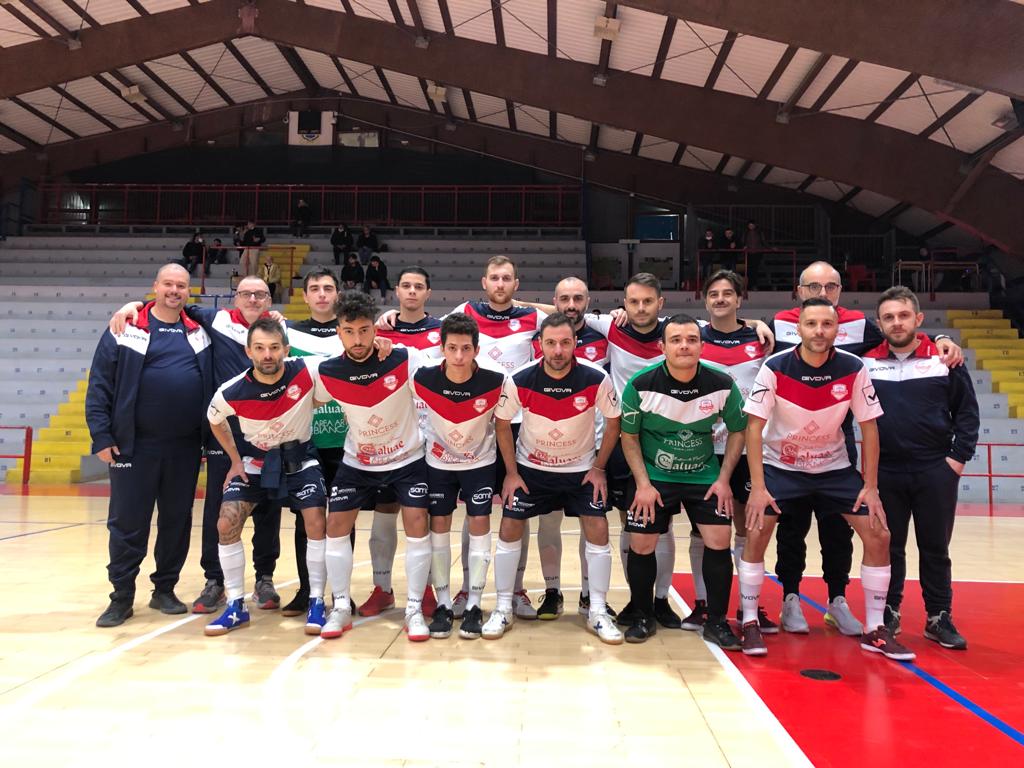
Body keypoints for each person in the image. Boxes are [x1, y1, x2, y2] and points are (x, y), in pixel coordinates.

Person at [768, 261, 962, 636]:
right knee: (791, 528)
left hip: (837, 446)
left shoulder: (858, 325)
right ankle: (790, 598)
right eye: (814, 287)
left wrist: (939, 339)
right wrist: (755, 325)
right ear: (799, 290)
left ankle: (837, 601)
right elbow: (750, 341)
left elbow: (899, 333)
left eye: (830, 286)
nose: (822, 294)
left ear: (840, 291)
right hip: (789, 448)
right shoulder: (778, 324)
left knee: (837, 529)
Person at [739, 298, 915, 661]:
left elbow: (869, 427)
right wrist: (758, 487)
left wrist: (870, 487)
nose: (819, 331)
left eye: (827, 324)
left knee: (879, 534)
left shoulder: (853, 367)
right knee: (756, 531)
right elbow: (753, 428)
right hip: (782, 467)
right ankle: (750, 620)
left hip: (834, 469)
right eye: (811, 324)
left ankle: (875, 628)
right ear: (799, 328)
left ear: (837, 329)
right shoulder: (775, 366)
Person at [378, 255, 548, 621]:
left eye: (507, 278)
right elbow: (430, 328)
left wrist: (529, 305)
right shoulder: (464, 314)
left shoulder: (533, 317)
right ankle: (464, 591)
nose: (500, 284)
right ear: (484, 282)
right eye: (494, 278)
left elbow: (569, 314)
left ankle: (515, 589)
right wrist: (389, 318)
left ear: (516, 284)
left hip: (510, 425)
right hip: (466, 426)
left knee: (514, 513)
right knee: (465, 516)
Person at [109, 278, 287, 614]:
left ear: (269, 299)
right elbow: (172, 303)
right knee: (217, 510)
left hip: (270, 436)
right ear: (236, 297)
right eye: (246, 293)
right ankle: (214, 580)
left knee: (268, 509)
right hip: (224, 437)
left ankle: (265, 577)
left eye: (260, 294)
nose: (253, 299)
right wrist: (134, 306)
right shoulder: (215, 319)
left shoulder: (281, 329)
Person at [484, 313, 623, 645]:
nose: (558, 350)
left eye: (564, 343)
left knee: (598, 526)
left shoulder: (596, 377)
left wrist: (599, 468)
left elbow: (614, 421)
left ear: (575, 343)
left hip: (581, 471)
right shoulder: (520, 378)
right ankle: (503, 607)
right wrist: (512, 473)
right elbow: (501, 423)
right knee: (509, 525)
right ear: (540, 345)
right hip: (532, 470)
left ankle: (597, 610)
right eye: (551, 343)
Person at [88, 264, 213, 627]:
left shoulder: (199, 332)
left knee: (176, 521)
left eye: (181, 286)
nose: (174, 291)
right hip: (133, 447)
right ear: (155, 286)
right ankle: (121, 596)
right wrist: (102, 435)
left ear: (189, 291)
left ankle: (165, 589)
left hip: (185, 448)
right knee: (128, 523)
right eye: (168, 284)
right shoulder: (126, 327)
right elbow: (100, 383)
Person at [286, 269, 409, 620]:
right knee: (306, 517)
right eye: (314, 288)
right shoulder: (288, 331)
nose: (321, 294)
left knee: (344, 518)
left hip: (348, 442)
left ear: (338, 294)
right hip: (308, 441)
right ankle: (308, 590)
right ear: (305, 296)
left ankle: (340, 593)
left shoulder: (367, 334)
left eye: (328, 288)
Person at [619, 314, 747, 646]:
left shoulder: (722, 383)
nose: (684, 346)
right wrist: (643, 485)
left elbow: (738, 430)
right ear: (662, 347)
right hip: (654, 476)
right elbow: (628, 436)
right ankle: (643, 615)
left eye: (691, 339)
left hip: (704, 475)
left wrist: (723, 479)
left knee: (719, 539)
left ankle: (716, 621)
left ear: (702, 346)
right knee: (641, 543)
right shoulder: (641, 384)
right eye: (676, 340)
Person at [864, 286, 979, 650]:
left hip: (935, 469)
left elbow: (967, 414)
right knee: (889, 546)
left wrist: (955, 462)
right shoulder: (865, 361)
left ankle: (938, 617)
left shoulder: (945, 360)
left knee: (935, 548)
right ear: (879, 324)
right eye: (888, 317)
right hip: (886, 470)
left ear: (918, 318)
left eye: (903, 316)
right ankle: (888, 612)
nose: (896, 323)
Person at [314, 291, 433, 641]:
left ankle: (414, 608)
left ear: (375, 329)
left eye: (365, 330)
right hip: (358, 461)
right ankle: (340, 606)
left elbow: (443, 374)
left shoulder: (403, 357)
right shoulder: (326, 371)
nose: (358, 339)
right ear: (338, 332)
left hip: (407, 458)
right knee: (335, 524)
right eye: (349, 331)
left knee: (416, 522)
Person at [203, 319, 329, 636]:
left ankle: (316, 601)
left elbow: (345, 365)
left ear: (286, 349)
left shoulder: (308, 370)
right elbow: (214, 420)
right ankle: (235, 605)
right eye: (259, 348)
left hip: (300, 458)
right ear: (249, 352)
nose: (267, 355)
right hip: (256, 462)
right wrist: (235, 460)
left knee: (316, 520)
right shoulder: (231, 390)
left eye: (274, 348)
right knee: (226, 522)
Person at [681, 270, 777, 635]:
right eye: (713, 294)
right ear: (705, 300)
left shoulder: (760, 338)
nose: (720, 299)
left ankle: (748, 606)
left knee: (748, 527)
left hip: (749, 448)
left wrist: (757, 324)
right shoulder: (695, 336)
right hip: (706, 447)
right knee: (702, 529)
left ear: (739, 299)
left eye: (727, 293)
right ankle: (703, 603)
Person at [411, 313, 506, 639]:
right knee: (439, 526)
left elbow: (506, 424)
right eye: (452, 348)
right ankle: (442, 603)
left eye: (466, 348)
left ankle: (474, 604)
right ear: (442, 348)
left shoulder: (496, 380)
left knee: (479, 523)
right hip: (438, 464)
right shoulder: (423, 377)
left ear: (477, 349)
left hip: (480, 463)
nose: (459, 356)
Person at [355, 266, 443, 618]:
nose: (412, 291)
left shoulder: (442, 331)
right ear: (396, 290)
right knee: (384, 514)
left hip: (431, 436)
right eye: (406, 285)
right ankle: (383, 589)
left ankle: (426, 590)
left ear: (428, 292)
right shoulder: (378, 331)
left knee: (424, 518)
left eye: (418, 286)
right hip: (389, 436)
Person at [527, 277, 615, 620]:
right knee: (548, 523)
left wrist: (756, 323)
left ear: (588, 301)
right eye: (564, 299)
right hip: (547, 447)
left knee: (590, 522)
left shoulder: (606, 332)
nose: (571, 305)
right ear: (554, 301)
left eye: (578, 298)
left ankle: (588, 595)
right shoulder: (536, 335)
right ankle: (552, 592)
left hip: (592, 444)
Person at [742, 220, 765, 289]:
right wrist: (744, 246)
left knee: (755, 269)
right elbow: (742, 242)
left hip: (757, 253)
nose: (751, 226)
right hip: (748, 253)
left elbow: (763, 241)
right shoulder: (746, 233)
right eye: (749, 225)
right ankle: (749, 285)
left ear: (755, 225)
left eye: (752, 225)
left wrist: (770, 248)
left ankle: (754, 284)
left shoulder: (759, 232)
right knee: (749, 269)